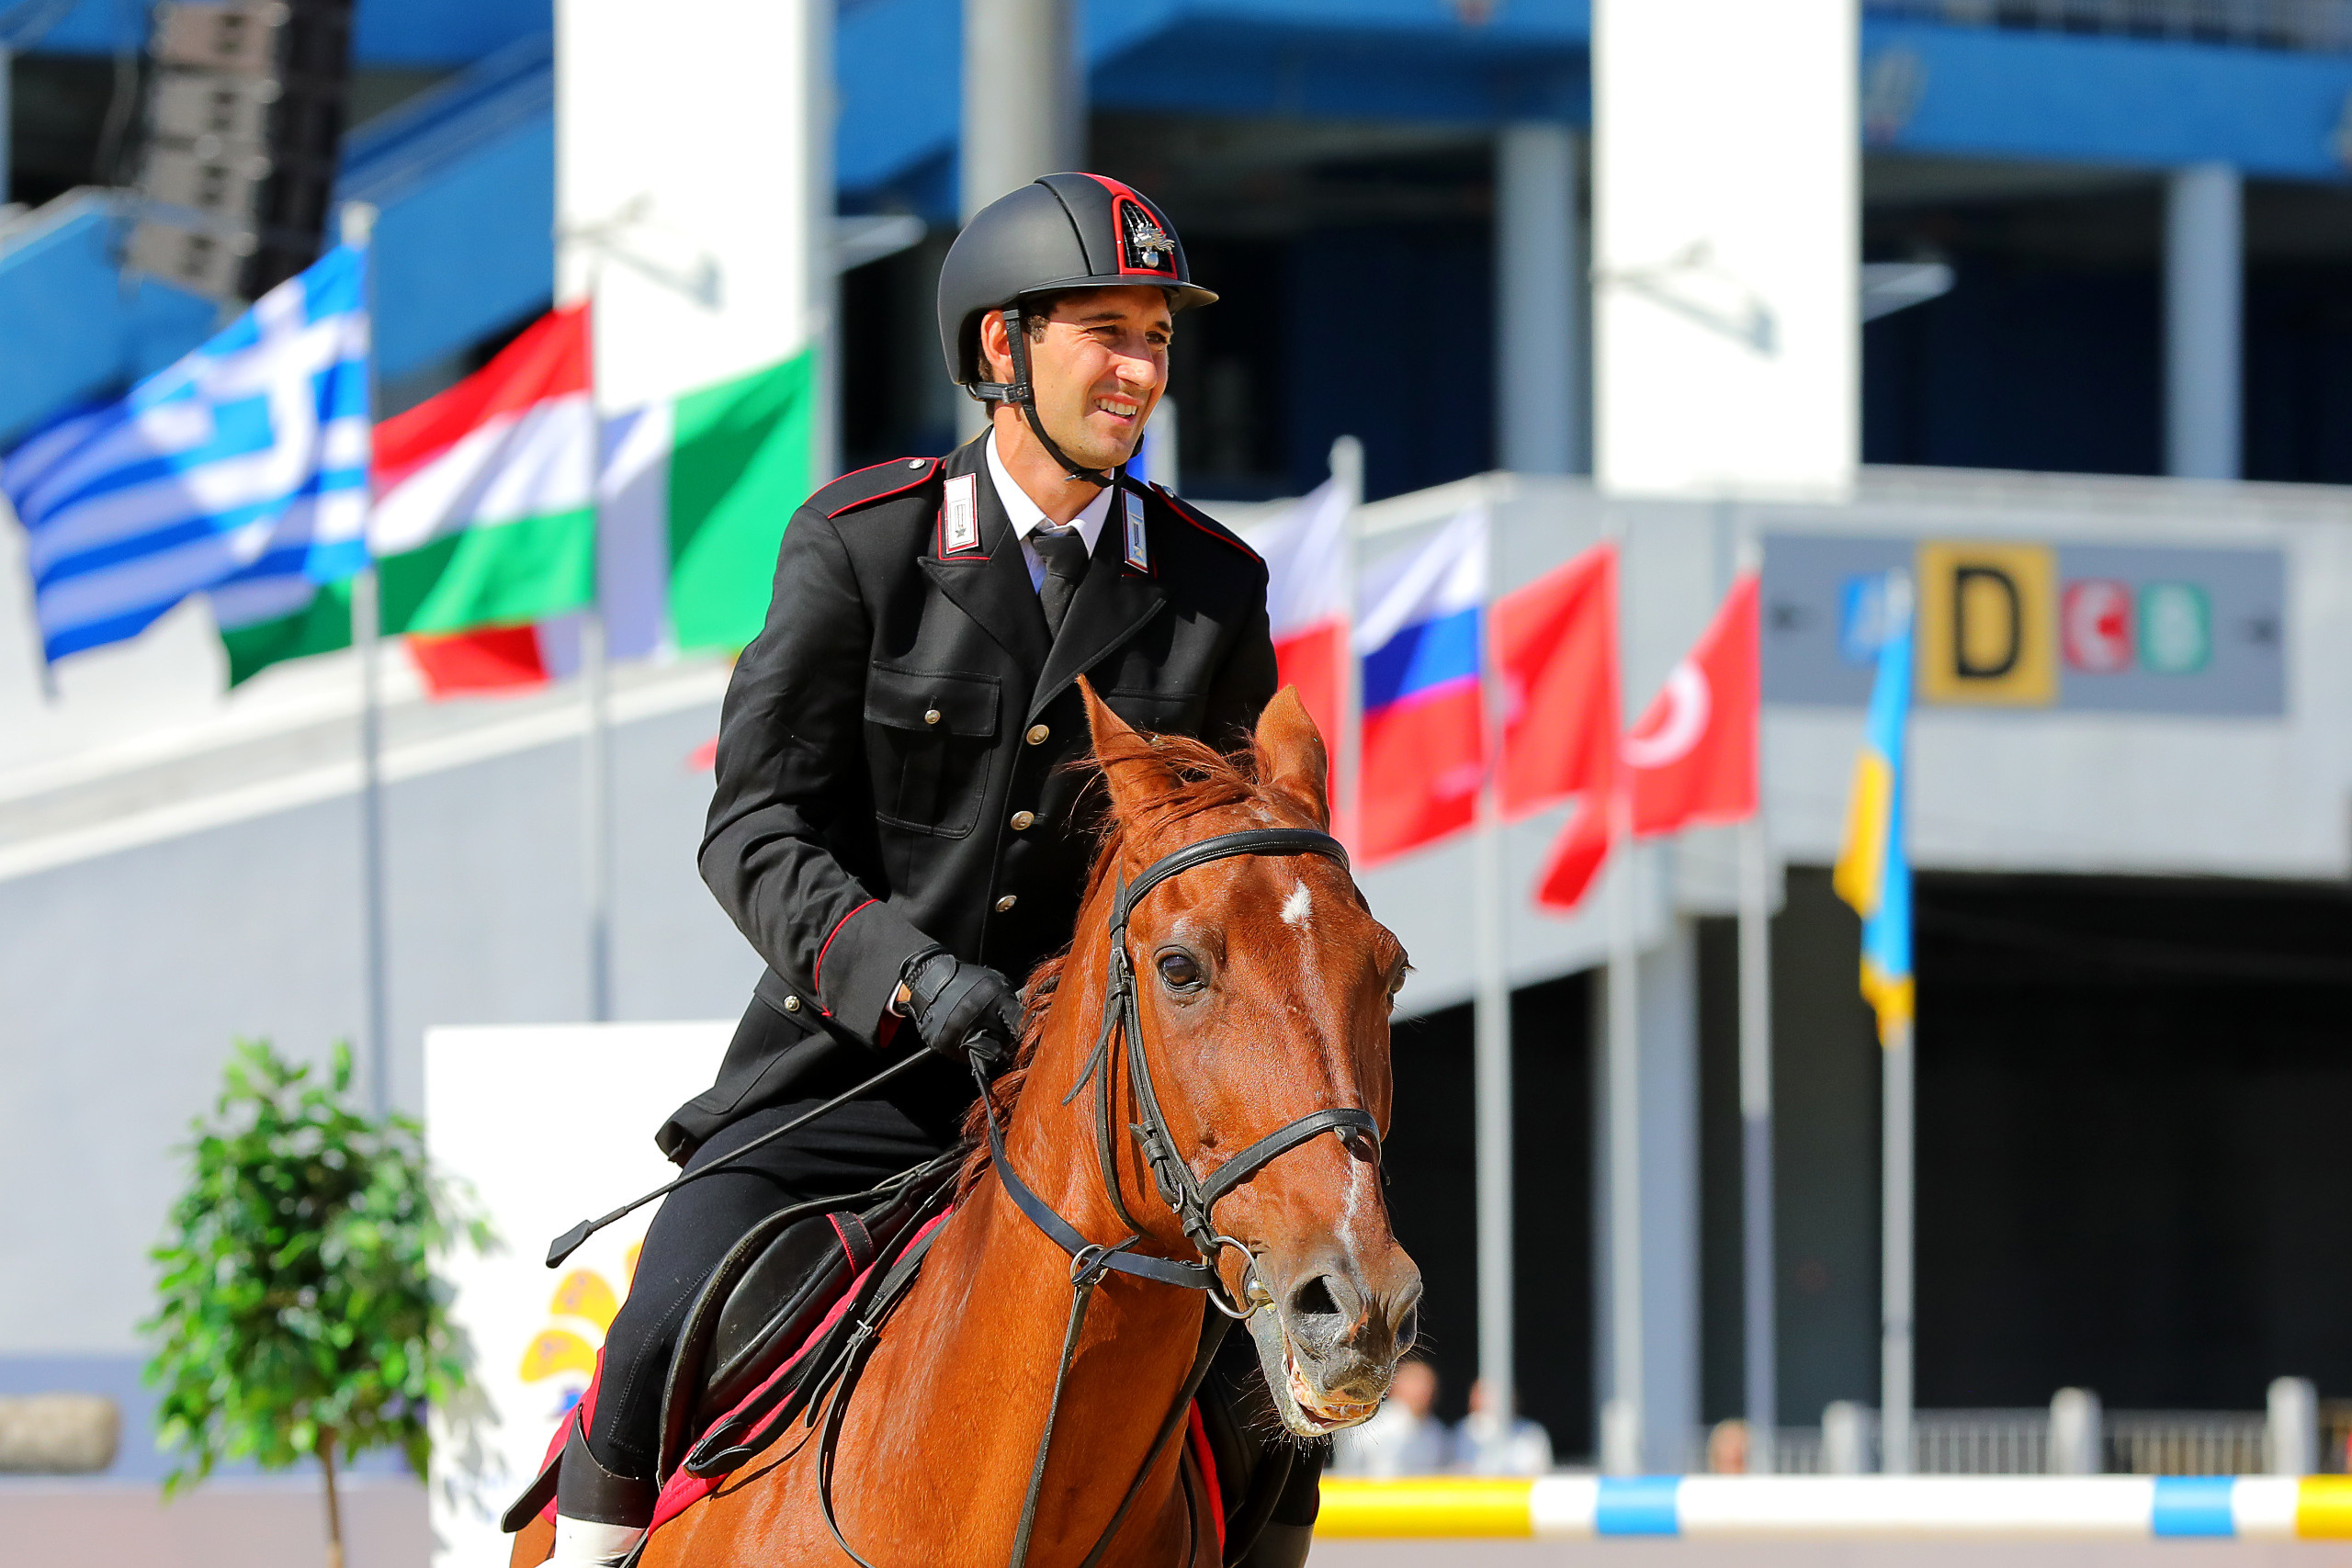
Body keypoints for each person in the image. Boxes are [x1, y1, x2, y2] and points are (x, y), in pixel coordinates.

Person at [546, 173, 1298, 1566]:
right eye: (1106, 331)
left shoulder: (1213, 587)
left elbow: (1240, 870)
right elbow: (754, 829)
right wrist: (914, 976)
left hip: (1098, 1116)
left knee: (1272, 1427)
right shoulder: (865, 545)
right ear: (1001, 348)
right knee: (654, 1328)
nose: (1141, 370)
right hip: (859, 1077)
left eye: (1157, 337)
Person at [1332, 1359, 1453, 1477]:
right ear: (1395, 1385)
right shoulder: (1367, 1424)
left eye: (1427, 1385)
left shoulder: (1437, 1431)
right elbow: (1347, 1472)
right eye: (1415, 1382)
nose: (1422, 1391)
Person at [1453, 1379, 1554, 1476]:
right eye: (1482, 1393)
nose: (1489, 1400)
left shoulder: (1532, 1433)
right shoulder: (1463, 1430)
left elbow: (1541, 1477)